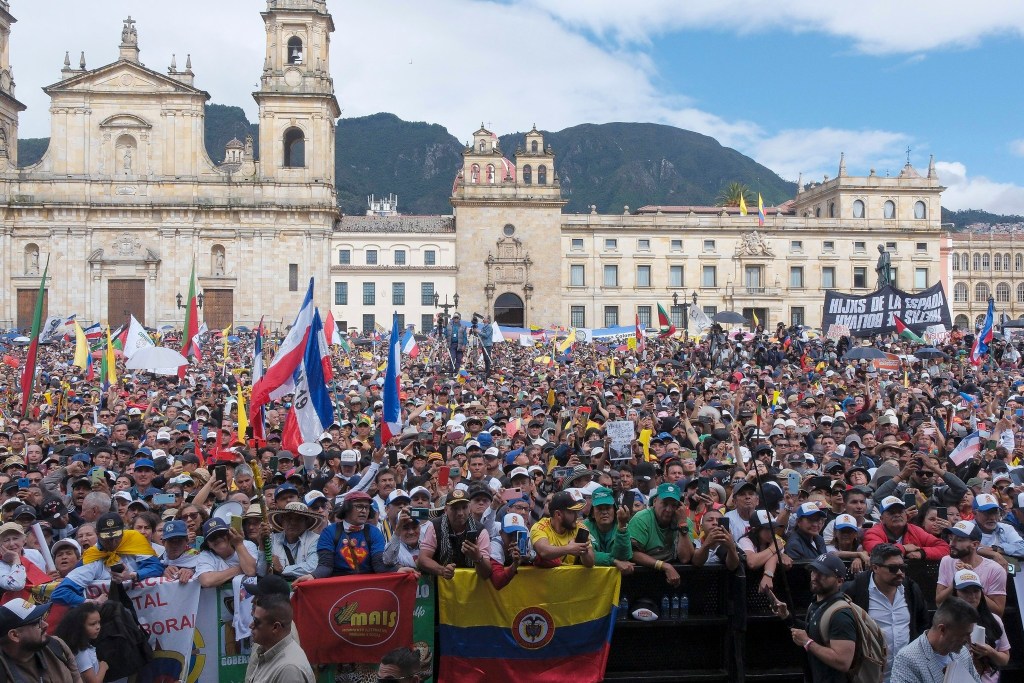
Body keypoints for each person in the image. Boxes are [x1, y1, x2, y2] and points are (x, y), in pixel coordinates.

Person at [841, 543, 930, 682]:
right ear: (875, 568)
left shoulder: (911, 589)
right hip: (870, 676)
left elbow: (923, 623)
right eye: (893, 568)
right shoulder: (856, 591)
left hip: (906, 675)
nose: (900, 572)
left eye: (902, 567)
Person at [51, 513, 162, 606]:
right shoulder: (92, 557)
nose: (112, 542)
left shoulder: (135, 540)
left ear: (123, 531)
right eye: (107, 538)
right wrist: (91, 602)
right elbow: (60, 593)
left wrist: (133, 575)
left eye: (116, 536)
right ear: (98, 535)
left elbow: (156, 567)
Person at [789, 553, 856, 682]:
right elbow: (814, 632)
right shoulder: (815, 604)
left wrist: (807, 642)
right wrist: (786, 616)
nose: (815, 577)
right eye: (813, 571)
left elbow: (843, 662)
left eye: (823, 574)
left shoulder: (841, 615)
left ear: (839, 581)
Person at [300, 491, 388, 580]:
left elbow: (379, 565)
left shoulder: (374, 532)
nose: (364, 511)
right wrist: (313, 576)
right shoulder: (329, 532)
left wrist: (397, 569)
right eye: (359, 506)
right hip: (339, 584)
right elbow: (326, 566)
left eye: (367, 507)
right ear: (347, 509)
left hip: (367, 584)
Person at [890, 596, 981, 683]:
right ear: (942, 629)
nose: (969, 641)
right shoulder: (907, 660)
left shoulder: (963, 654)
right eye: (964, 635)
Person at [936, 520, 1006, 617]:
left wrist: (971, 581)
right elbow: (939, 602)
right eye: (951, 539)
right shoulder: (946, 561)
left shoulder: (995, 570)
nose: (951, 544)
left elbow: (998, 612)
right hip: (953, 620)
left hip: (981, 621)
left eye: (959, 540)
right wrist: (957, 581)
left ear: (974, 545)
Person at [628, 483, 694, 586]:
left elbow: (685, 558)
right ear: (655, 502)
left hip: (675, 579)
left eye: (674, 505)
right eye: (665, 503)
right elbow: (632, 553)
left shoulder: (684, 521)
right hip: (643, 577)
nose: (669, 509)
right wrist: (664, 566)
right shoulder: (641, 519)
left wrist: (682, 525)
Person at [0, 600, 81, 683]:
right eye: (37, 623)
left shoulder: (57, 645)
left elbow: (77, 679)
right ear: (14, 635)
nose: (45, 625)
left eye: (43, 618)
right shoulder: (3, 671)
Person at [418, 489, 492, 579]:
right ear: (446, 509)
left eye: (464, 507)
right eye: (455, 508)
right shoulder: (435, 526)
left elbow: (486, 574)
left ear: (469, 508)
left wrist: (478, 558)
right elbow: (422, 559)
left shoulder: (480, 531)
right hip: (441, 585)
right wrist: (442, 570)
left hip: (471, 585)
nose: (460, 513)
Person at [951, 569, 1010, 682]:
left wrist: (990, 652)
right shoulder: (947, 621)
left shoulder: (995, 620)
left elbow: (1005, 659)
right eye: (965, 591)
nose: (972, 596)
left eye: (976, 591)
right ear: (956, 593)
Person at [244, 593, 314, 683]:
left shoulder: (289, 670)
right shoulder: (268, 652)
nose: (251, 625)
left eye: (256, 621)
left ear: (275, 627)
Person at [863, 496, 946, 561]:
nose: (897, 515)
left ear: (906, 515)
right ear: (882, 519)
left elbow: (944, 548)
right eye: (892, 512)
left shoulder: (915, 530)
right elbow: (877, 551)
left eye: (900, 511)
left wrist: (922, 553)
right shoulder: (873, 532)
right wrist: (904, 548)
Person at [530, 490, 595, 569]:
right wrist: (569, 549)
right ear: (558, 514)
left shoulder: (580, 528)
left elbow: (590, 563)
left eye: (577, 512)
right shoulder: (540, 527)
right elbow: (544, 552)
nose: (577, 516)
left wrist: (583, 551)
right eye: (572, 512)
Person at [195, 518, 259, 588]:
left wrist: (238, 545)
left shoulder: (246, 545)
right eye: (212, 537)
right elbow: (206, 581)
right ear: (208, 544)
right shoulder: (205, 555)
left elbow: (251, 571)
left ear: (229, 535)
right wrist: (240, 569)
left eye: (221, 534)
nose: (218, 538)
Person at [583, 486, 633, 573]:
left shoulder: (623, 525)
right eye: (599, 508)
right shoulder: (584, 527)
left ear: (615, 510)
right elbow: (589, 556)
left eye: (608, 508)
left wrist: (622, 527)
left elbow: (623, 557)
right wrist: (613, 561)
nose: (604, 512)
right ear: (592, 513)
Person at [52, 604, 105, 683]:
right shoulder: (82, 654)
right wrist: (104, 667)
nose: (98, 627)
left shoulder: (81, 645)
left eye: (99, 622)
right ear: (79, 627)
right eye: (93, 624)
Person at [0, 523, 52, 603]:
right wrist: (16, 558)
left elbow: (43, 582)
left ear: (24, 540)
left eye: (15, 538)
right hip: (12, 607)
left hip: (39, 602)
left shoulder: (35, 554)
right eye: (6, 540)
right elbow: (17, 585)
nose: (11, 543)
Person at [267, 502, 320, 579]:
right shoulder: (273, 539)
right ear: (282, 521)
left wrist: (282, 569)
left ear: (306, 523)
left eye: (298, 519)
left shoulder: (315, 539)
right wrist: (262, 545)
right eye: (288, 518)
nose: (293, 523)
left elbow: (312, 566)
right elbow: (261, 570)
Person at [692, 505, 740, 571]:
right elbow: (697, 563)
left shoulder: (732, 543)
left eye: (718, 520)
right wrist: (707, 544)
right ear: (701, 527)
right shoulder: (695, 543)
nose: (715, 523)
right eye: (710, 520)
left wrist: (731, 547)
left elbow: (733, 566)